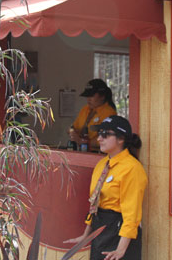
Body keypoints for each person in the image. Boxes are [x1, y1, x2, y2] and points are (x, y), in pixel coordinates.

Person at [64, 115, 147, 260]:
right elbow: (95, 203)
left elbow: (131, 215)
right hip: (100, 230)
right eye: (99, 134)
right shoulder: (102, 164)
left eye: (105, 134)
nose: (99, 139)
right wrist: (86, 234)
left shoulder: (132, 169)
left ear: (121, 139)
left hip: (119, 234)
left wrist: (121, 250)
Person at [69, 79, 117, 151]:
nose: (88, 99)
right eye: (87, 96)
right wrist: (72, 132)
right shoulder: (85, 109)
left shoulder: (109, 113)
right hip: (82, 150)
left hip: (99, 153)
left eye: (91, 96)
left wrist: (82, 141)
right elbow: (74, 127)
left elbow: (107, 138)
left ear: (102, 96)